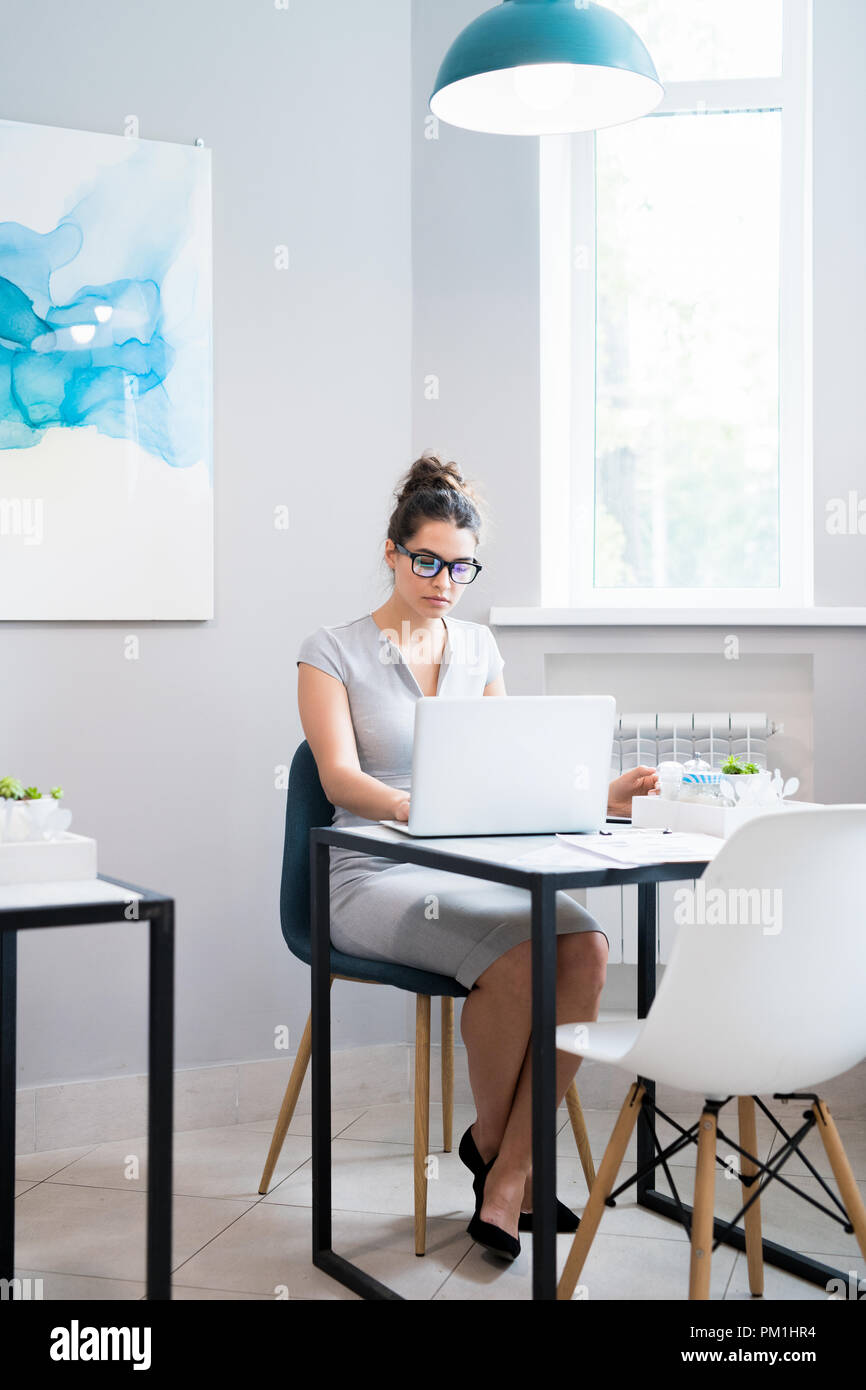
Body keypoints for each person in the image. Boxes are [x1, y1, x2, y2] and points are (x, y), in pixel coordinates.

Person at [297, 452, 659, 1260]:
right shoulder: (332, 650)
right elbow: (339, 778)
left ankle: (501, 1160)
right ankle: (506, 1172)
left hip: (465, 868)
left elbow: (510, 773)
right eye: (427, 561)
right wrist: (413, 809)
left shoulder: (479, 648)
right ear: (391, 552)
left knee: (585, 949)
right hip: (371, 871)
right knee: (517, 956)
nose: (443, 581)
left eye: (461, 567)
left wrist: (601, 795)